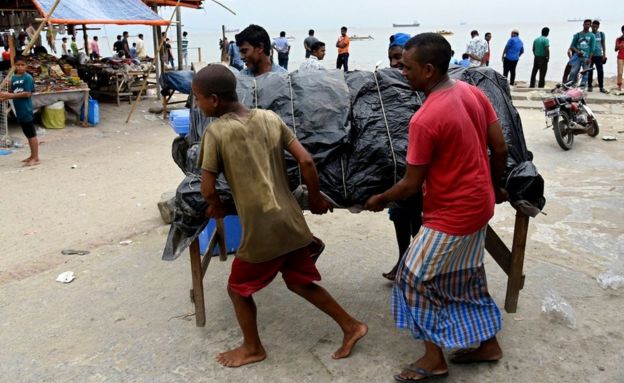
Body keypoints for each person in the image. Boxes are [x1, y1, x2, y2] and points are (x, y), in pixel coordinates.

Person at [193, 63, 368, 368]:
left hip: (262, 231)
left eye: (198, 98)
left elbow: (208, 189)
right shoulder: (270, 118)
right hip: (290, 220)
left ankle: (252, 348)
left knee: (237, 290)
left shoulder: (216, 132)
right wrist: (313, 197)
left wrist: (217, 207)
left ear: (214, 100)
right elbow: (307, 162)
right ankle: (352, 326)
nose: (197, 104)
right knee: (299, 282)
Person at [365, 33, 508, 382]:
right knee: (464, 274)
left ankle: (434, 358)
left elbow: (411, 185)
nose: (401, 72)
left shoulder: (425, 119)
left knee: (411, 278)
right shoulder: (471, 92)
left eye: (407, 67)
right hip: (480, 203)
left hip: (453, 214)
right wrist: (493, 184)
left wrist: (380, 198)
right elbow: (500, 147)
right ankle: (487, 344)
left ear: (429, 70)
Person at [383, 32, 423, 282]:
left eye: (399, 58)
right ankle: (402, 259)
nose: (395, 64)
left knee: (419, 219)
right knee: (399, 216)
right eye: (392, 58)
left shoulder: (420, 86)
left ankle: (417, 267)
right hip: (398, 165)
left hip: (419, 167)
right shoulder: (387, 82)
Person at [0, 56, 39, 166]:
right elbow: (13, 93)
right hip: (19, 111)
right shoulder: (13, 78)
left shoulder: (28, 78)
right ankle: (32, 155)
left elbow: (27, 93)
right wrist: (5, 97)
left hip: (26, 109)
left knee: (31, 134)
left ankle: (35, 157)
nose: (20, 67)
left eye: (23, 65)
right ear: (14, 66)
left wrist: (9, 95)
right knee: (27, 134)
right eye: (18, 65)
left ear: (26, 66)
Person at [568, 19, 596, 88]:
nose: (587, 25)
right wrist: (577, 51)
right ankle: (570, 85)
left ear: (590, 25)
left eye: (588, 24)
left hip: (586, 57)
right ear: (583, 24)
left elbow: (592, 48)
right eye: (585, 24)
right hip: (577, 56)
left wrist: (589, 58)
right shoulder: (578, 35)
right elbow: (572, 46)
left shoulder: (592, 36)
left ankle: (582, 87)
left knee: (585, 73)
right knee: (573, 72)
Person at [588, 20, 607, 93]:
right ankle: (589, 86)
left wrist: (604, 54)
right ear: (591, 26)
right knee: (589, 71)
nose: (594, 28)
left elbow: (603, 44)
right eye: (593, 26)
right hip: (590, 55)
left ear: (598, 27)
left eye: (596, 27)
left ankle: (601, 87)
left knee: (600, 71)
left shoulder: (601, 34)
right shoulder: (589, 34)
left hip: (599, 55)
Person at [616, 25, 624, 92]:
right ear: (622, 31)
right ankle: (619, 86)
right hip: (620, 57)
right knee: (620, 72)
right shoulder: (619, 39)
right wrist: (620, 45)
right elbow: (615, 49)